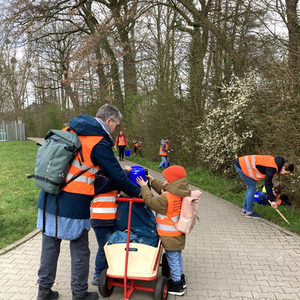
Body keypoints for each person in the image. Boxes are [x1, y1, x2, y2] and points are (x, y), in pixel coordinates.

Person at [36, 104, 140, 300]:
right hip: (74, 203)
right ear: (109, 121)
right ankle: (79, 293)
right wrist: (139, 192)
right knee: (80, 250)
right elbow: (117, 176)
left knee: (50, 246)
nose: (116, 130)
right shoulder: (98, 141)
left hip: (49, 196)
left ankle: (44, 291)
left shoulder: (69, 129)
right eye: (116, 125)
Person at [136, 165, 191, 296]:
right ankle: (181, 279)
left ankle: (177, 286)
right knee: (176, 257)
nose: (164, 182)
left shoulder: (166, 199)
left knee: (172, 258)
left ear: (174, 182)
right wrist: (152, 180)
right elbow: (163, 190)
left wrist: (144, 186)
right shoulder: (180, 192)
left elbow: (151, 201)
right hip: (177, 234)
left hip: (169, 235)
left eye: (167, 180)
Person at [90, 166, 132, 285]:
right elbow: (113, 182)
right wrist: (125, 172)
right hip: (101, 220)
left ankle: (111, 272)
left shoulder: (109, 180)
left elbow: (117, 188)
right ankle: (98, 275)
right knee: (104, 248)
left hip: (110, 219)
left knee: (112, 247)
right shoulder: (97, 179)